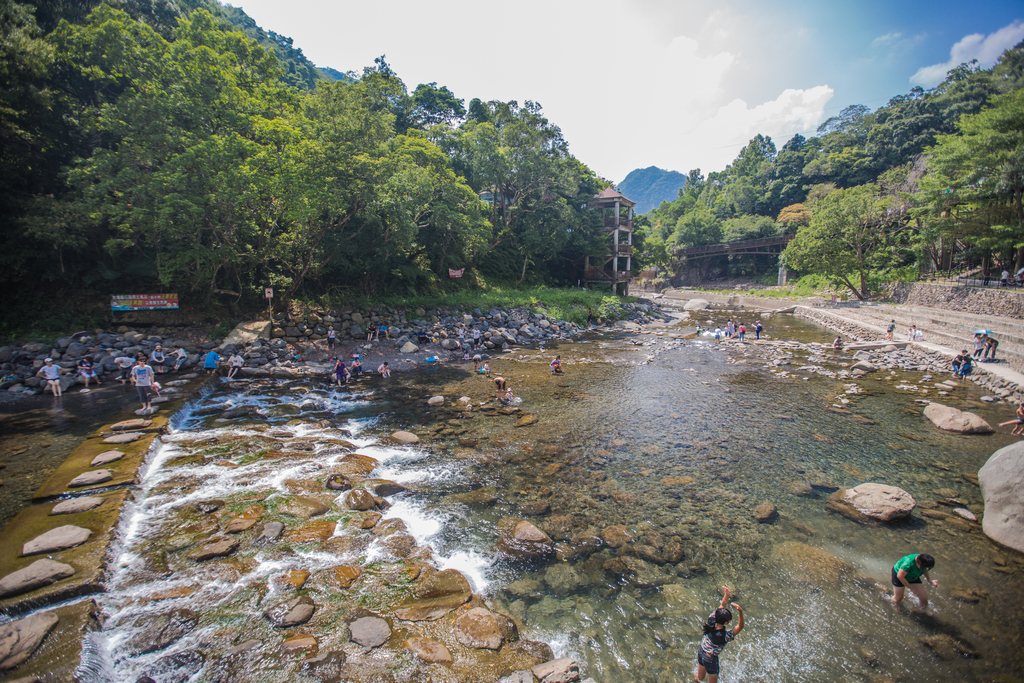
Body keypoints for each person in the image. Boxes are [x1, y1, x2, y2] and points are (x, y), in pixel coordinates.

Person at [694, 586, 744, 683]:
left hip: (701, 650)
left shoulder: (711, 619)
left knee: (699, 678)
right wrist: (740, 612)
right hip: (710, 658)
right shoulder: (725, 636)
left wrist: (727, 595)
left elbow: (722, 606)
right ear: (726, 623)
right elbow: (740, 626)